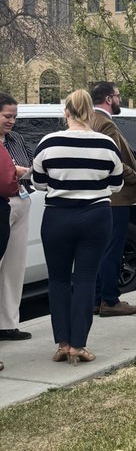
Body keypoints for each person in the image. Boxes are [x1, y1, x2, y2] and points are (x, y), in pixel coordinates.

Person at [31, 89, 123, 364]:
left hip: (57, 216)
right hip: (96, 216)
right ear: (91, 112)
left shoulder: (49, 142)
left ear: (66, 112)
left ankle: (62, 342)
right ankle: (79, 345)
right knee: (85, 279)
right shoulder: (107, 144)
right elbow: (116, 184)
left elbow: (38, 183)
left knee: (58, 280)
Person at [90, 81, 136, 317]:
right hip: (116, 196)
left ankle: (97, 298)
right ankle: (110, 300)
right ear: (109, 99)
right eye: (118, 96)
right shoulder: (105, 123)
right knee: (112, 249)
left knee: (102, 249)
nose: (120, 100)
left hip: (101, 196)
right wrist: (133, 176)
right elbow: (112, 160)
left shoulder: (90, 120)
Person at [0, 93, 33, 356]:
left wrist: (23, 171)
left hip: (21, 200)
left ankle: (8, 324)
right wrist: (12, 170)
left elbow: (32, 164)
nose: (11, 121)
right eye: (7, 116)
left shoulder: (17, 139)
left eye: (14, 117)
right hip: (1, 203)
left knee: (15, 264)